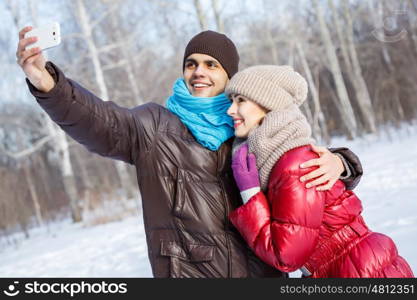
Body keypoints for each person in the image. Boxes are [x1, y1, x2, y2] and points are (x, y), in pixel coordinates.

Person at [16, 28, 363, 278]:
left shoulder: (247, 124)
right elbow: (100, 121)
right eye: (192, 63)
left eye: (212, 65)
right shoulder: (153, 126)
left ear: (229, 76)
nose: (199, 71)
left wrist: (341, 162)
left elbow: (294, 161)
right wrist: (48, 84)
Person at [227, 65, 414, 278]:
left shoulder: (293, 164)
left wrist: (250, 194)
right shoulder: (277, 156)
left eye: (240, 100)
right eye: (231, 100)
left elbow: (286, 256)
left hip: (360, 271)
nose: (230, 110)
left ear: (268, 103)